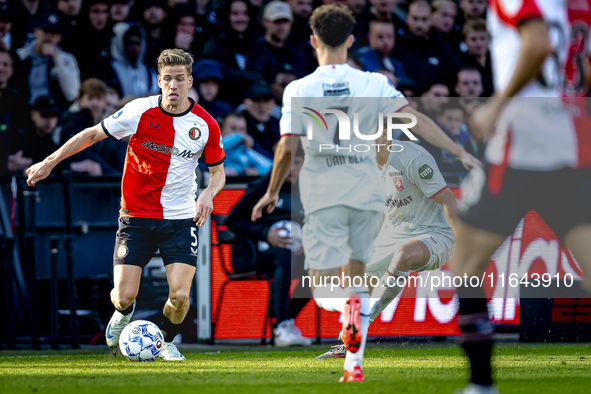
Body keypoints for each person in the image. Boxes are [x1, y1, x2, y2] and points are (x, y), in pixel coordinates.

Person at [250, 4, 479, 383]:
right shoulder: (373, 82)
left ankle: (354, 317)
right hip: (374, 214)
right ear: (352, 40)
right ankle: (353, 356)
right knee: (344, 281)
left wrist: (272, 191)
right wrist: (460, 152)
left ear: (312, 41)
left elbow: (286, 148)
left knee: (330, 284)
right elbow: (417, 119)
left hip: (359, 206)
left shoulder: (298, 88)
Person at [25, 48, 227, 361]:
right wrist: (49, 162)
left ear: (190, 81)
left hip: (180, 219)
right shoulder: (139, 111)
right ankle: (122, 314)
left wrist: (207, 194)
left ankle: (166, 341)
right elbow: (93, 134)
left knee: (180, 296)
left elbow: (218, 174)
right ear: (159, 81)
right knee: (123, 295)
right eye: (167, 79)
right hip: (136, 216)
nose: (174, 85)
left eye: (180, 79)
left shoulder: (207, 125)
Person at [449, 0, 591, 392]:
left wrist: (496, 105)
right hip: (570, 143)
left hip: (521, 145)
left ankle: (481, 384)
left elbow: (538, 44)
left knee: (464, 264)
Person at [315, 127, 458, 358]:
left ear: (384, 135)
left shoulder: (413, 157)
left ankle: (360, 328)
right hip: (393, 233)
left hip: (436, 233)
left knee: (404, 254)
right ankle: (349, 343)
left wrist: (461, 245)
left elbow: (450, 202)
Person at [225, 144, 311, 346]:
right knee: (284, 257)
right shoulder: (264, 187)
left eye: (296, 163)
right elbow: (233, 220)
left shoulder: (307, 191)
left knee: (320, 266)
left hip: (292, 255)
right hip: (253, 253)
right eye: (286, 163)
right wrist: (265, 233)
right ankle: (281, 326)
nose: (290, 168)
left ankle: (287, 321)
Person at [201, 0, 261, 107]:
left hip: (256, 104)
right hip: (224, 105)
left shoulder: (258, 44)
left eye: (245, 13)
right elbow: (221, 74)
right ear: (227, 16)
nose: (241, 18)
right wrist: (252, 77)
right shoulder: (215, 44)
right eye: (235, 13)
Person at [59, 78, 124, 174]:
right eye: (90, 98)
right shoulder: (70, 124)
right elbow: (86, 155)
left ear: (104, 103)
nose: (94, 103)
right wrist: (115, 175)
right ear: (80, 101)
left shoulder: (107, 127)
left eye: (99, 99)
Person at [16, 13, 80, 108]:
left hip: (54, 111)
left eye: (54, 33)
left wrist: (56, 59)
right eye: (46, 31)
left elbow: (72, 94)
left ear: (60, 38)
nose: (49, 36)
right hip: (24, 109)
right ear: (36, 32)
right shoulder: (22, 55)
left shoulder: (67, 59)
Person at [394, 0, 461, 91]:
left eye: (424, 19)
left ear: (431, 20)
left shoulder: (445, 50)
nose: (419, 24)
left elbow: (454, 81)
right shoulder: (397, 49)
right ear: (407, 18)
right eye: (415, 18)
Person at [247, 1, 304, 83]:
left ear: (291, 23)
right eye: (277, 21)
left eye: (285, 21)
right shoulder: (254, 50)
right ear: (265, 22)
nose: (281, 26)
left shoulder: (295, 54)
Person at [60, 0, 115, 83]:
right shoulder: (73, 39)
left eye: (105, 11)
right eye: (96, 11)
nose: (101, 16)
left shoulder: (109, 37)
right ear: (86, 12)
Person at [110, 22, 158, 98]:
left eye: (137, 44)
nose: (134, 48)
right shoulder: (110, 70)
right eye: (130, 43)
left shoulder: (149, 72)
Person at [219, 112, 272, 177]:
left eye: (241, 129)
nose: (237, 133)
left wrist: (257, 171)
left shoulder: (244, 150)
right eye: (233, 128)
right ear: (220, 130)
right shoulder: (215, 146)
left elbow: (269, 166)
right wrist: (240, 137)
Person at [239, 80, 280, 159]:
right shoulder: (238, 123)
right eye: (257, 100)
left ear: (273, 103)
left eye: (266, 101)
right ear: (245, 103)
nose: (262, 106)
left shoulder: (278, 124)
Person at [459, 19, 493, 97]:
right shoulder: (460, 63)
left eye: (482, 38)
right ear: (465, 41)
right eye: (473, 39)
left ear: (489, 40)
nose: (478, 42)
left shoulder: (497, 61)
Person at [192, 59, 233, 125]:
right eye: (205, 82)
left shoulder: (224, 110)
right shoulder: (186, 110)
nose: (209, 88)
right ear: (196, 84)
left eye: (214, 83)